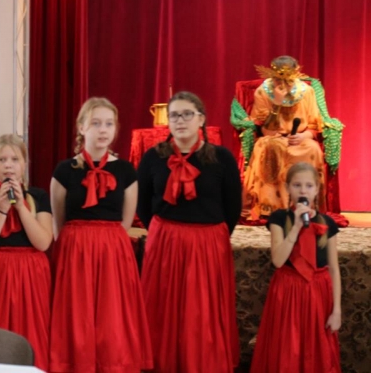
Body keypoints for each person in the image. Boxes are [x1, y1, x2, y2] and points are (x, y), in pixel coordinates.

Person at [137, 91, 242, 373]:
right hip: (165, 241)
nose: (180, 121)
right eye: (174, 115)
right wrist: (163, 232)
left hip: (207, 243)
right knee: (163, 307)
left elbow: (233, 206)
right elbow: (142, 204)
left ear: (201, 119)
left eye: (187, 114)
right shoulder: (152, 157)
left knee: (202, 311)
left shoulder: (221, 158)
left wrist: (211, 236)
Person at [50, 97, 153, 373]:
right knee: (77, 313)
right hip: (75, 251)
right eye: (96, 123)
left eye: (109, 124)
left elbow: (125, 221)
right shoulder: (64, 171)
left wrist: (105, 242)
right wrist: (76, 245)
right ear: (82, 128)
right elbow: (59, 222)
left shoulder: (126, 171)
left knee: (112, 315)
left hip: (112, 251)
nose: (103, 129)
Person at [0, 134, 53, 371]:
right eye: (1, 159)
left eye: (15, 159)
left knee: (31, 332)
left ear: (24, 165)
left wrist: (21, 207)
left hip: (30, 274)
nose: (8, 165)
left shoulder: (38, 196)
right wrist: (2, 210)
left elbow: (43, 242)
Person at [250, 162, 341, 372]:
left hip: (318, 293)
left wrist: (336, 310)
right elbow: (278, 260)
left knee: (315, 347)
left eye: (309, 186)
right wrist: (297, 227)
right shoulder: (279, 219)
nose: (303, 191)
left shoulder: (327, 223)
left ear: (317, 190)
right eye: (297, 185)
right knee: (287, 345)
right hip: (287, 291)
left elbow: (334, 269)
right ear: (288, 188)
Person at [243, 55, 325, 219]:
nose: (283, 84)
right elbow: (265, 128)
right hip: (273, 136)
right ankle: (271, 206)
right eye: (278, 80)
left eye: (288, 80)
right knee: (269, 147)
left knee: (313, 149)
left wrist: (304, 135)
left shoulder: (306, 92)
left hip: (300, 137)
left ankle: (305, 204)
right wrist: (277, 104)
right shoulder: (263, 91)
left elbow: (314, 124)